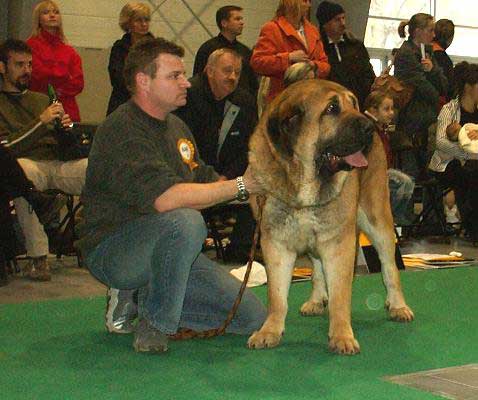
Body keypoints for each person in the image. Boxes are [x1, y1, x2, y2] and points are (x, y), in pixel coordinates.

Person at [77, 37, 266, 353]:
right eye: (174, 76)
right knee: (186, 221)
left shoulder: (176, 126)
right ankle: (156, 323)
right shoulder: (121, 129)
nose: (186, 83)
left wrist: (256, 191)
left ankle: (140, 296)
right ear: (143, 82)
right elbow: (166, 199)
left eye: (182, 74)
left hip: (169, 249)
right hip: (113, 249)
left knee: (250, 316)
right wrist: (242, 186)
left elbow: (204, 178)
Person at [0, 39, 87, 281]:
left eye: (29, 64)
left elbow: (67, 148)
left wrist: (66, 130)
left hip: (57, 163)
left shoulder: (41, 98)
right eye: (19, 64)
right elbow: (7, 149)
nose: (27, 70)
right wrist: (41, 122)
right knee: (22, 173)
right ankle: (38, 257)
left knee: (98, 169)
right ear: (2, 67)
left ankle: (89, 241)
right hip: (27, 163)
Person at [175, 48, 258, 263]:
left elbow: (247, 150)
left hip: (228, 177)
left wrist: (226, 179)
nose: (233, 77)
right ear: (209, 71)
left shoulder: (245, 102)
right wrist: (209, 179)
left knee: (261, 189)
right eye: (227, 71)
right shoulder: (187, 97)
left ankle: (240, 250)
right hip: (191, 175)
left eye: (237, 73)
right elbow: (181, 147)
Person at [428, 62, 478, 244]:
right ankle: (473, 227)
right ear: (468, 87)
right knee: (471, 175)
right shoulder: (449, 110)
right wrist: (466, 155)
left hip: (473, 163)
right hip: (448, 164)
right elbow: (440, 143)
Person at [394, 13, 447, 180]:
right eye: (430, 30)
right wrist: (435, 86)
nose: (434, 35)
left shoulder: (428, 53)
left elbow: (445, 86)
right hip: (411, 125)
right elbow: (428, 91)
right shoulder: (406, 55)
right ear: (418, 31)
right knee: (409, 177)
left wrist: (432, 70)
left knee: (431, 176)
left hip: (427, 122)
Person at [250, 0, 330, 102]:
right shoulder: (272, 28)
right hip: (283, 99)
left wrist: (313, 65)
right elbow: (257, 62)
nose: (309, 5)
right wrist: (288, 58)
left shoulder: (313, 30)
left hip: (311, 98)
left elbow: (325, 64)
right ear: (292, 3)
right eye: (305, 1)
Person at [27, 0, 84, 122]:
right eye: (46, 12)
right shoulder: (30, 46)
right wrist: (63, 76)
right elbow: (37, 76)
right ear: (38, 19)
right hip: (40, 106)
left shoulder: (69, 50)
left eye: (56, 12)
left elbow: (78, 83)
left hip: (67, 108)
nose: (52, 15)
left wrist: (57, 86)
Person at [364, 91, 415, 226]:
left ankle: (391, 218)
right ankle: (387, 218)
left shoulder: (380, 128)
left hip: (382, 171)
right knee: (403, 183)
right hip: (370, 174)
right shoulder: (368, 129)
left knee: (406, 182)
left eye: (392, 108)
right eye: (386, 109)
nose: (391, 113)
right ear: (373, 110)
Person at [315, 0, 375, 109]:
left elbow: (368, 74)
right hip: (332, 106)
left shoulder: (356, 46)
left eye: (343, 18)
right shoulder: (319, 49)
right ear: (325, 24)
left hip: (358, 104)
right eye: (337, 20)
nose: (343, 23)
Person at [193, 5, 258, 97]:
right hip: (212, 102)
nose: (242, 23)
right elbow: (198, 79)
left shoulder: (245, 51)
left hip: (240, 102)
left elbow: (252, 82)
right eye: (237, 19)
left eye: (241, 19)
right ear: (224, 23)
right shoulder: (208, 48)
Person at [106, 2, 154, 115]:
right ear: (128, 23)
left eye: (146, 20)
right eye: (138, 20)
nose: (144, 24)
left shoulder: (155, 47)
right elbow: (116, 78)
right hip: (122, 101)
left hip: (149, 102)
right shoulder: (119, 47)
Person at [433, 19, 455, 104]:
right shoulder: (446, 62)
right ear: (450, 38)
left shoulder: (422, 52)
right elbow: (447, 90)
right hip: (437, 106)